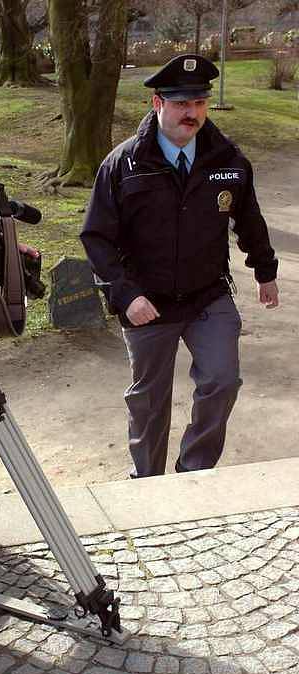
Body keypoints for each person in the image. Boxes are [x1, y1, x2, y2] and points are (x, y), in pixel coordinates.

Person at [81, 54, 279, 479]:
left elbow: (248, 218)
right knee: (149, 400)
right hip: (146, 302)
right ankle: (148, 482)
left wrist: (265, 271)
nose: (192, 113)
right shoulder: (123, 164)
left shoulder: (228, 160)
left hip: (207, 294)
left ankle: (194, 471)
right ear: (158, 104)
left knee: (222, 381)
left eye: (199, 103)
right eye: (181, 103)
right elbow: (96, 237)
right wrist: (124, 293)